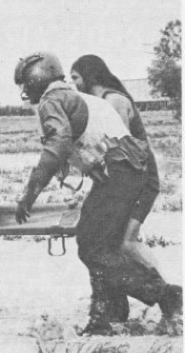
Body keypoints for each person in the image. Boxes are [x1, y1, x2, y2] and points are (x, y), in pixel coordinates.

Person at [13, 51, 181, 336]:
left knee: (93, 247)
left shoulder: (51, 100)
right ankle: (107, 317)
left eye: (25, 84)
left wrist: (29, 194)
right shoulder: (76, 97)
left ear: (36, 79)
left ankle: (165, 295)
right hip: (128, 171)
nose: (24, 90)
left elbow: (57, 145)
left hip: (120, 173)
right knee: (100, 245)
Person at [70, 54, 163, 323]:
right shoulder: (103, 102)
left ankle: (167, 296)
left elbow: (118, 146)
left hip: (142, 179)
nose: (74, 84)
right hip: (130, 178)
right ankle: (117, 312)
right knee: (110, 244)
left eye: (76, 77)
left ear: (90, 76)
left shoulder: (114, 101)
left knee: (127, 242)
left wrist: (88, 160)